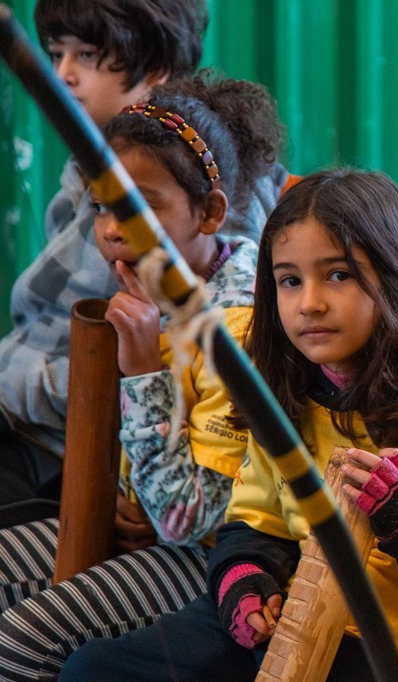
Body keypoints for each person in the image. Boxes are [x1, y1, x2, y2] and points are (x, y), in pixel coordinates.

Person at [61, 168, 398, 680]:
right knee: (94, 670)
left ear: (396, 274)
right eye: (290, 281)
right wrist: (246, 580)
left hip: (393, 642)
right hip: (289, 615)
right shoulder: (286, 382)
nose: (309, 303)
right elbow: (256, 520)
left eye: (338, 275)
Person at [0, 70, 285, 681]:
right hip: (143, 532)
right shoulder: (152, 295)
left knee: (22, 639)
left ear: (209, 213)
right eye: (102, 207)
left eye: (137, 207)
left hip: (206, 566)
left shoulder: (236, 328)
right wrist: (127, 499)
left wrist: (141, 374)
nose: (110, 229)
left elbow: (193, 520)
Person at [0, 0, 286, 517]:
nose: (62, 74)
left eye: (86, 54)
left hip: (75, 452)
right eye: (55, 54)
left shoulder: (220, 299)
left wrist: (137, 378)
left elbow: (186, 511)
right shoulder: (98, 182)